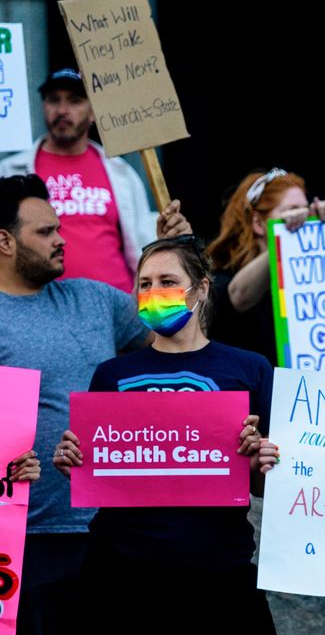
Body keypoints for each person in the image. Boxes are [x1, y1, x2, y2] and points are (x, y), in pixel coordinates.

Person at [52, 235, 280, 630]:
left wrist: (259, 457)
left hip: (219, 571)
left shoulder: (251, 369)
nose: (154, 292)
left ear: (201, 289)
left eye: (167, 281)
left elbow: (266, 485)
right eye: (145, 283)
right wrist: (75, 463)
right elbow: (100, 472)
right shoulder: (112, 374)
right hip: (121, 573)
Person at [0, 173, 153, 635]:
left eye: (59, 228)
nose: (61, 240)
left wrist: (174, 248)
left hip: (113, 531)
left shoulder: (95, 300)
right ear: (5, 242)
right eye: (45, 232)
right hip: (22, 539)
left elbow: (179, 325)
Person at [0, 68, 191, 292]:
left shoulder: (120, 171)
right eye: (53, 100)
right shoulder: (11, 170)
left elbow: (144, 240)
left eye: (74, 101)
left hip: (117, 310)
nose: (62, 110)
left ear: (93, 112)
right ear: (43, 106)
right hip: (41, 312)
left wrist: (168, 239)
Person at [206, 168, 325, 363]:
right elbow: (238, 296)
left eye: (306, 211)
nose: (303, 218)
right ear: (258, 223)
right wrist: (284, 238)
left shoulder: (310, 282)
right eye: (292, 211)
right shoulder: (221, 278)